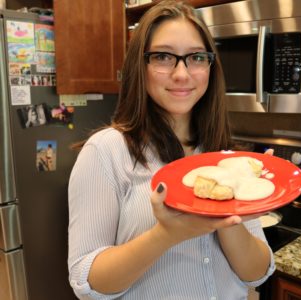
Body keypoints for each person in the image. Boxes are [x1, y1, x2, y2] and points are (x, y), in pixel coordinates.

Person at [68, 1, 275, 299]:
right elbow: (87, 280)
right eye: (164, 57)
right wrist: (166, 235)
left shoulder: (225, 159)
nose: (182, 74)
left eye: (196, 57)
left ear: (210, 66)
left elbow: (255, 273)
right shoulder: (106, 151)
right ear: (140, 65)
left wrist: (229, 216)